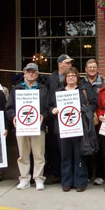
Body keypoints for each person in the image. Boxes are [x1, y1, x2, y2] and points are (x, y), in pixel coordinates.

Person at [51, 67, 97, 192]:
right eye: (68, 76)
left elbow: (93, 103)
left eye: (73, 75)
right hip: (63, 128)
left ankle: (80, 182)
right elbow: (51, 105)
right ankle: (66, 182)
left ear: (77, 77)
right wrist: (54, 110)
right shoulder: (59, 91)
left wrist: (85, 110)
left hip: (79, 128)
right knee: (65, 155)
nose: (71, 78)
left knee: (79, 155)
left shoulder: (83, 90)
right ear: (65, 78)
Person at [5, 62, 49, 191]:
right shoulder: (16, 89)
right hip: (22, 127)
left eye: (33, 71)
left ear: (37, 74)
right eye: (28, 71)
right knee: (23, 154)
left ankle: (39, 179)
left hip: (38, 127)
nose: (31, 73)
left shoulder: (43, 89)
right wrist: (13, 116)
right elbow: (9, 108)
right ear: (24, 73)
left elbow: (48, 107)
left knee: (39, 154)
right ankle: (24, 179)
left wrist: (44, 116)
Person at [45, 54, 74, 184]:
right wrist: (51, 112)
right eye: (67, 63)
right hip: (54, 119)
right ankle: (56, 173)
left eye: (70, 63)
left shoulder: (72, 79)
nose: (70, 65)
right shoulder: (51, 79)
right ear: (60, 64)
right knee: (54, 147)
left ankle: (68, 174)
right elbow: (47, 99)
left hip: (70, 119)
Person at [79, 58, 104, 185]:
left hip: (100, 120)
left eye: (94, 67)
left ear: (98, 69)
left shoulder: (103, 83)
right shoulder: (80, 83)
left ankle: (100, 175)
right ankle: (87, 174)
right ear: (85, 69)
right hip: (85, 119)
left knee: (100, 147)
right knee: (86, 146)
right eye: (90, 67)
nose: (92, 69)